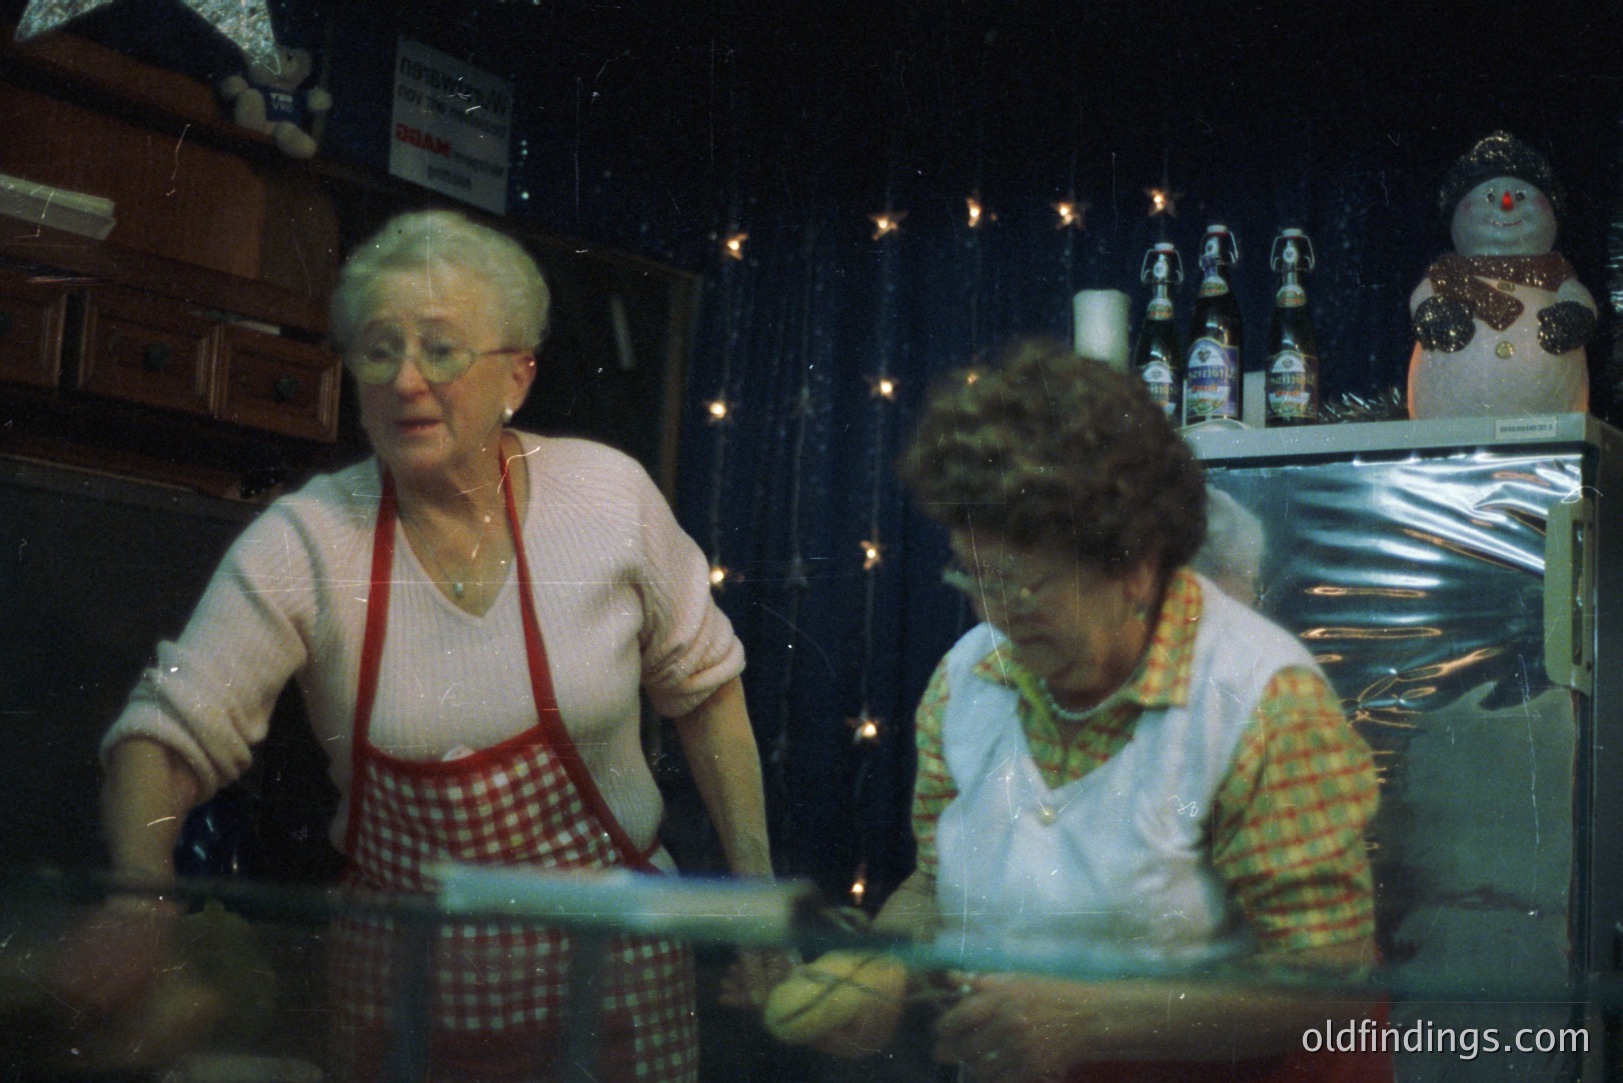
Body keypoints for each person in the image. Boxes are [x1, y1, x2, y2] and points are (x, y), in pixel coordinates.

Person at [52, 209, 773, 1082]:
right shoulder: (310, 539)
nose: (404, 380)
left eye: (440, 349)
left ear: (518, 374)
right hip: (401, 996)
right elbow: (164, 735)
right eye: (378, 348)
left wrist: (755, 897)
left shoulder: (608, 499)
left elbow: (706, 695)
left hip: (613, 982)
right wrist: (140, 893)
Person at [842, 340, 1386, 1081]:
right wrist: (880, 966)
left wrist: (1086, 1019)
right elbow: (936, 884)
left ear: (1134, 565)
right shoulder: (964, 680)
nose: (995, 616)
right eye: (972, 577)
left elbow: (1328, 980)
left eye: (1025, 587)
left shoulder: (1262, 699)